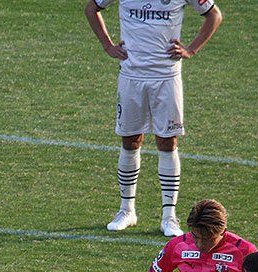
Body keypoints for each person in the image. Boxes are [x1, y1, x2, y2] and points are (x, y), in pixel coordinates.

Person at [86, 0, 221, 237]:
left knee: (167, 141)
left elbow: (214, 15)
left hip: (167, 77)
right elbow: (91, 8)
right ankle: (126, 211)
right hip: (131, 75)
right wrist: (108, 46)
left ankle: (169, 217)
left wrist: (191, 50)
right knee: (130, 139)